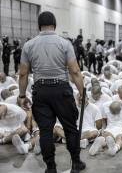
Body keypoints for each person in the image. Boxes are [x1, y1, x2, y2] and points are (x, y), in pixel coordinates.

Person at [18, 11, 86, 173]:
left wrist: (22, 95)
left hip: (40, 91)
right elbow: (75, 71)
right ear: (54, 25)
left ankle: (50, 167)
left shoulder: (29, 45)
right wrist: (82, 91)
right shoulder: (65, 44)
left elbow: (23, 73)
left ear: (38, 26)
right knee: (70, 128)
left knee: (46, 131)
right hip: (61, 90)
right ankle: (76, 162)